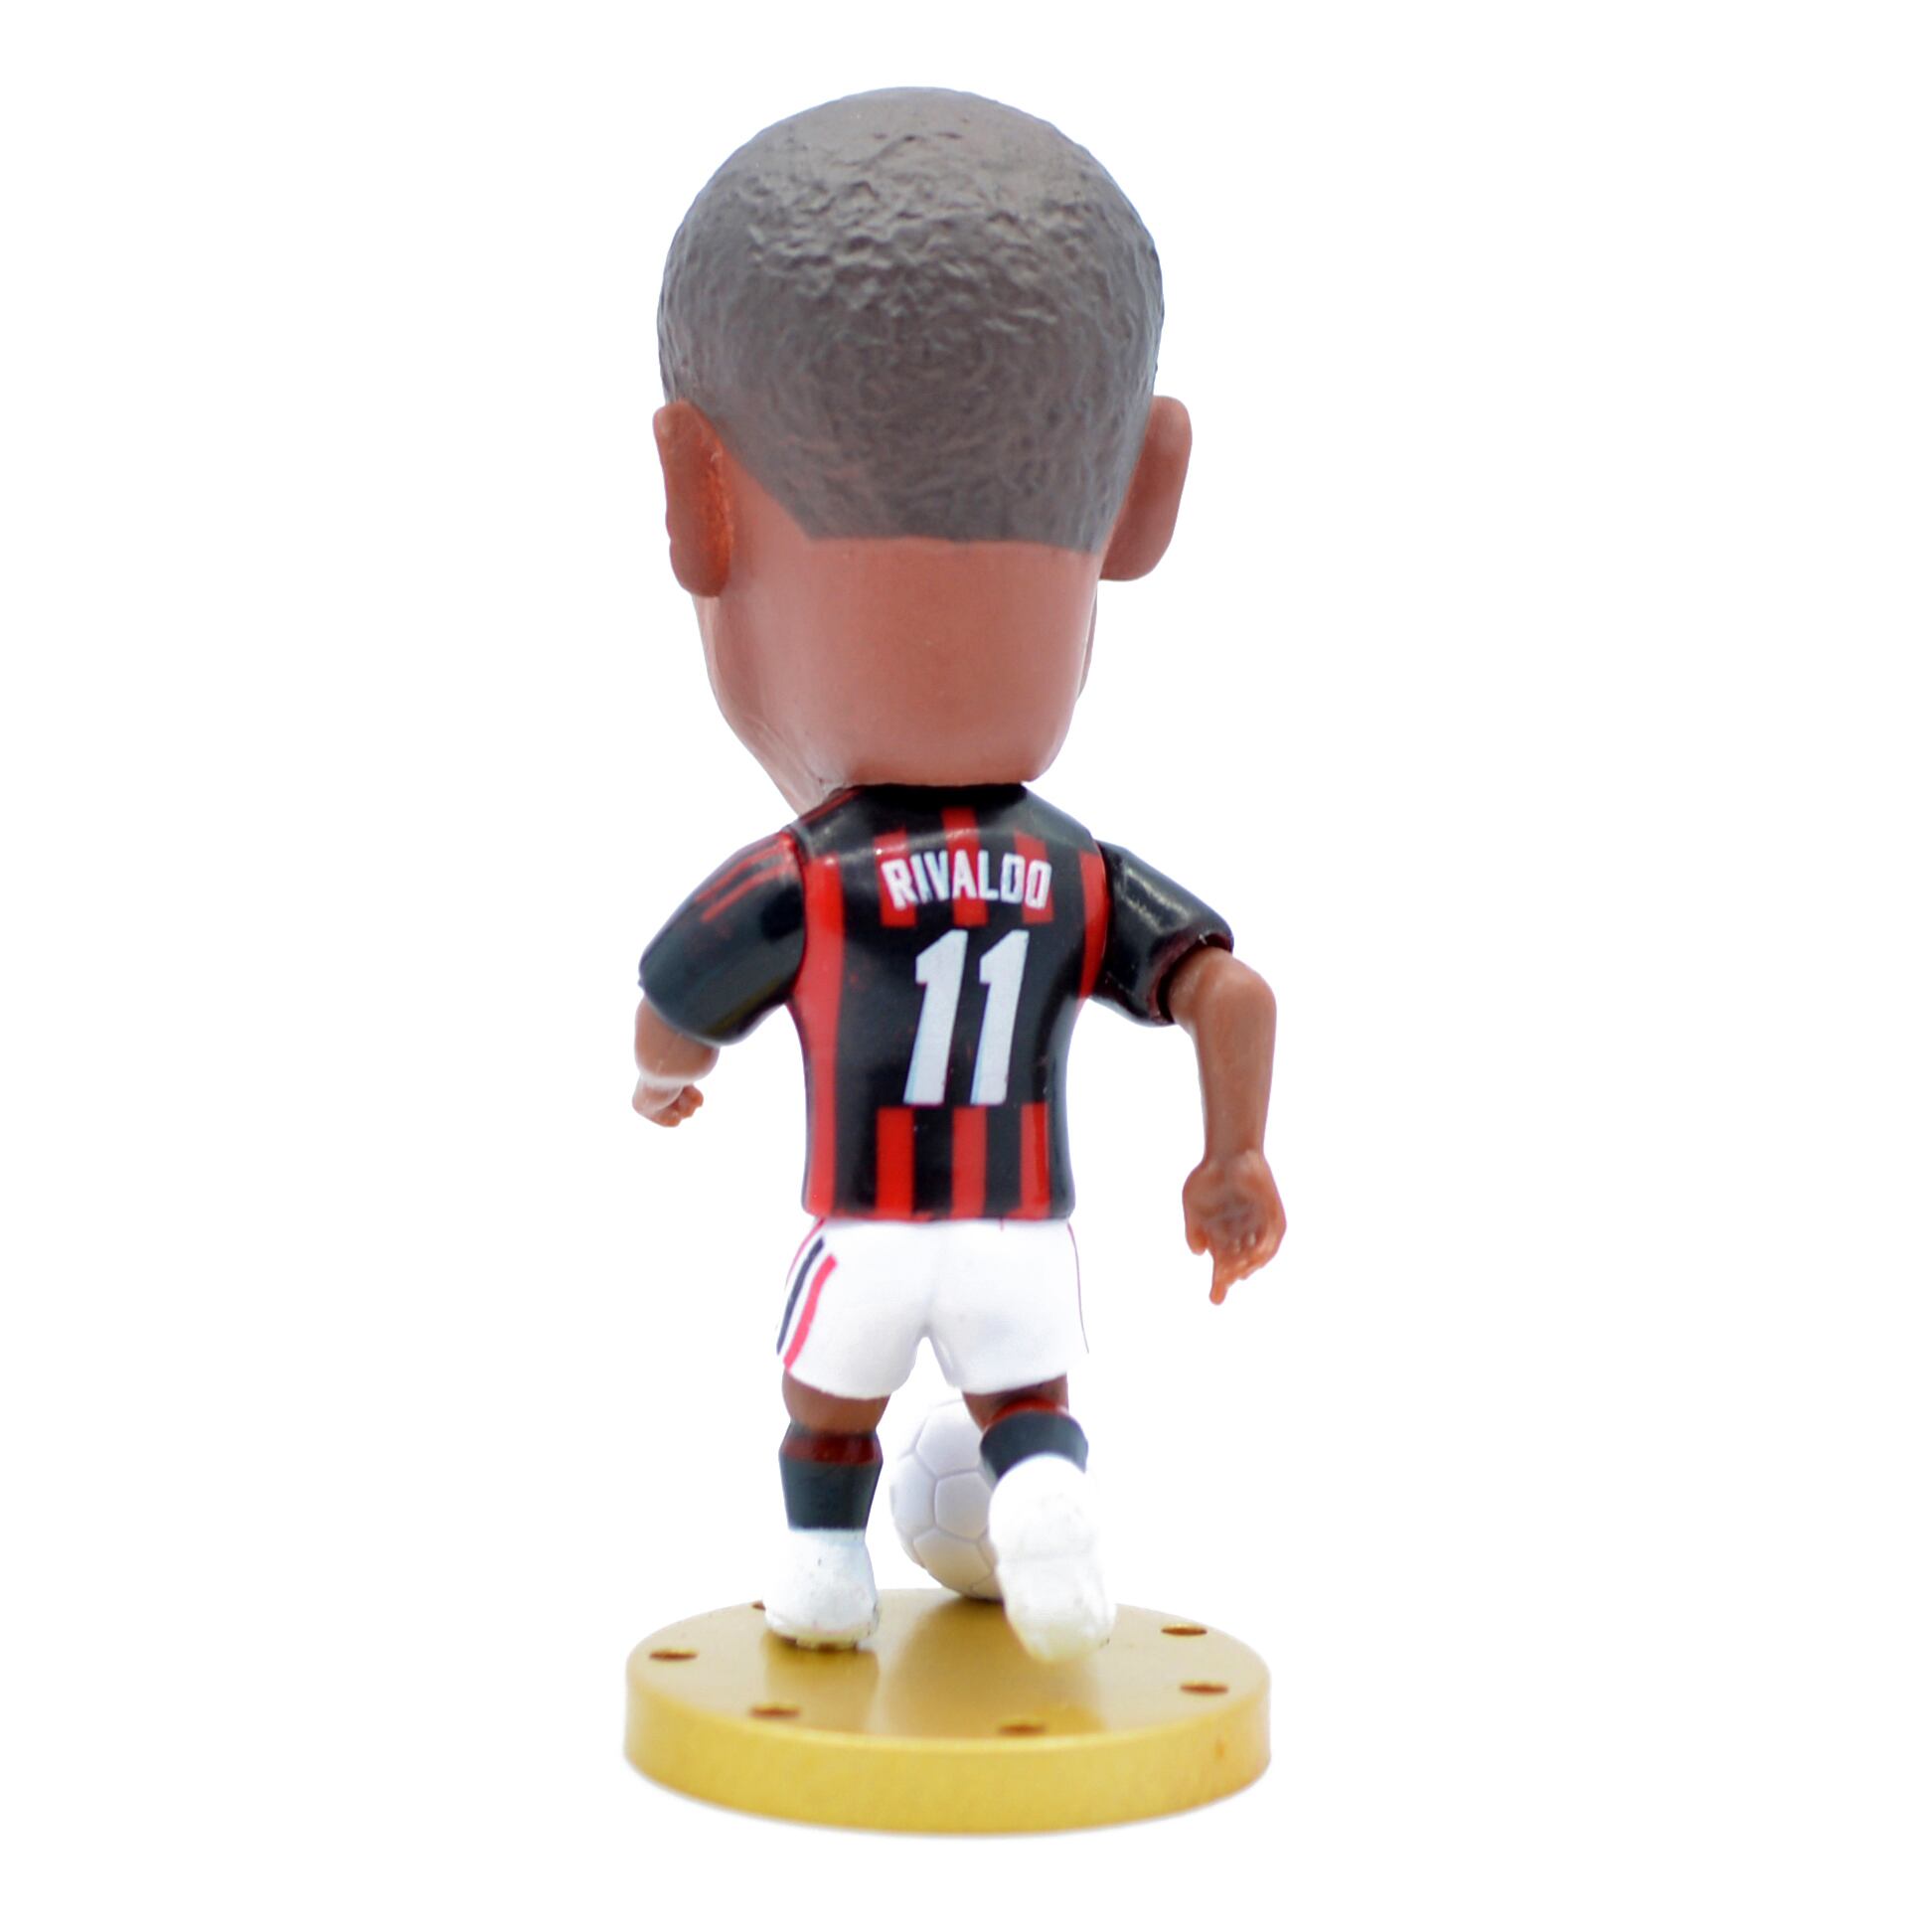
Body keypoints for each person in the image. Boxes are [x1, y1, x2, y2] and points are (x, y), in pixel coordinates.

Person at [634, 87, 1285, 1661]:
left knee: (822, 1404)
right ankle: (1043, 1481)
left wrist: (663, 1079)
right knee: (1030, 1396)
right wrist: (1234, 1158)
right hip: (1018, 1229)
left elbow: (674, 999)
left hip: (867, 1220)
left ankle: (823, 1571)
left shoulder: (806, 876)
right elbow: (1232, 992)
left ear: (694, 501)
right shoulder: (1074, 872)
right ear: (1141, 496)